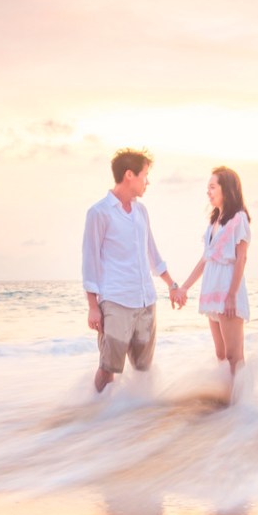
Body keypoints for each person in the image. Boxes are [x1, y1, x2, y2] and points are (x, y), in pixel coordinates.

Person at [82, 148, 182, 393]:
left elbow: (153, 253)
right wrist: (93, 307)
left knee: (142, 371)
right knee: (108, 370)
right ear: (129, 175)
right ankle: (95, 416)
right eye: (145, 175)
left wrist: (172, 285)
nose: (147, 181)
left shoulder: (141, 212)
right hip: (115, 301)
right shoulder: (99, 213)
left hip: (146, 301)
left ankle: (137, 420)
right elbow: (89, 261)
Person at [171, 166, 251, 376]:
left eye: (212, 187)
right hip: (212, 292)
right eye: (208, 187)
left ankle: (239, 403)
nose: (208, 191)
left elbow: (241, 258)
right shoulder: (214, 222)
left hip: (227, 292)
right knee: (221, 354)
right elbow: (205, 259)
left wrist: (232, 295)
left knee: (234, 356)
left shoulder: (238, 219)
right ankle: (226, 401)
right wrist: (185, 288)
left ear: (227, 189)